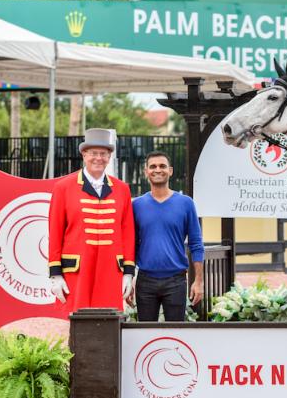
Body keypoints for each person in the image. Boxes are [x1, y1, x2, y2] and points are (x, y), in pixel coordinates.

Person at [48, 128, 135, 311]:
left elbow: (127, 233)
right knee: (76, 322)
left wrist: (128, 272)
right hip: (77, 269)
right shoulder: (63, 187)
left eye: (103, 153)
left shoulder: (122, 189)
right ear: (84, 154)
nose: (98, 158)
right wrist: (55, 274)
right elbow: (55, 232)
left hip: (111, 269)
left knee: (108, 321)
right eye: (93, 153)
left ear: (110, 156)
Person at [132, 150, 204, 322]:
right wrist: (128, 281)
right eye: (153, 166)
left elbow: (196, 244)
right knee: (145, 334)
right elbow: (131, 244)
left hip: (176, 281)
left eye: (162, 166)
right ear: (146, 172)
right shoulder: (136, 205)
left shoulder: (186, 203)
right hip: (145, 280)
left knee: (176, 333)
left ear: (170, 170)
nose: (158, 170)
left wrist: (199, 281)